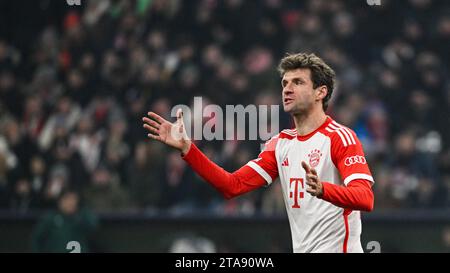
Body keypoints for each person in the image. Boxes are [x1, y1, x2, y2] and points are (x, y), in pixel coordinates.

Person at [142, 53, 374, 253]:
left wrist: (324, 189)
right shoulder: (280, 144)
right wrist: (188, 149)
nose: (287, 89)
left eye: (298, 82)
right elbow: (232, 185)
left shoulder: (340, 137)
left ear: (320, 92)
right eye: (284, 83)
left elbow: (365, 198)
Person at [32, 190, 99, 253]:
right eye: (67, 199)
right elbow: (36, 240)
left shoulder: (84, 216)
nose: (70, 203)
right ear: (60, 201)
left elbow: (93, 228)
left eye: (73, 199)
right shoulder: (50, 219)